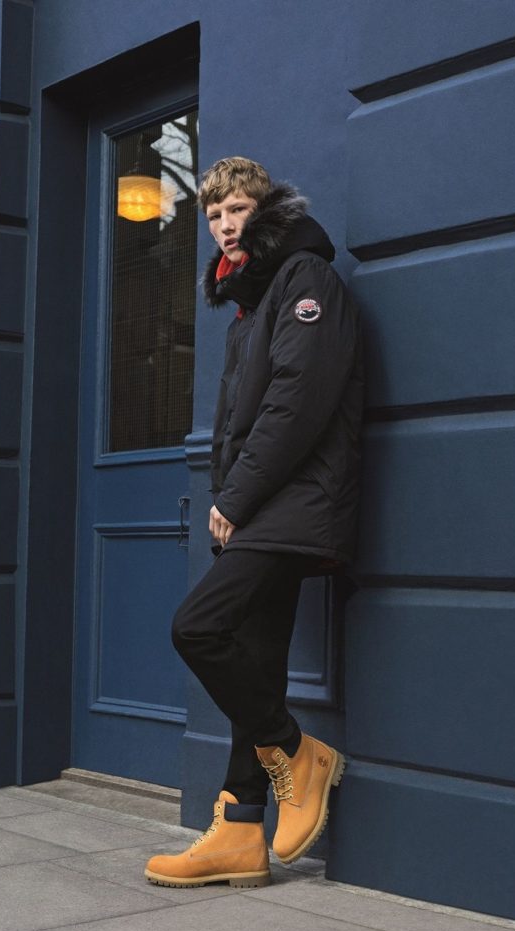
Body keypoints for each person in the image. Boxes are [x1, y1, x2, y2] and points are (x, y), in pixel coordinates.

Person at [145, 157, 364, 888]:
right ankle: (240, 830)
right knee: (256, 659)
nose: (225, 224)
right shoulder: (253, 301)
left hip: (290, 501)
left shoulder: (306, 280)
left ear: (266, 209)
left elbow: (296, 402)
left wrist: (234, 499)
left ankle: (296, 751)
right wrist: (232, 497)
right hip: (261, 504)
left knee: (197, 628)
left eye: (237, 209)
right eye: (213, 215)